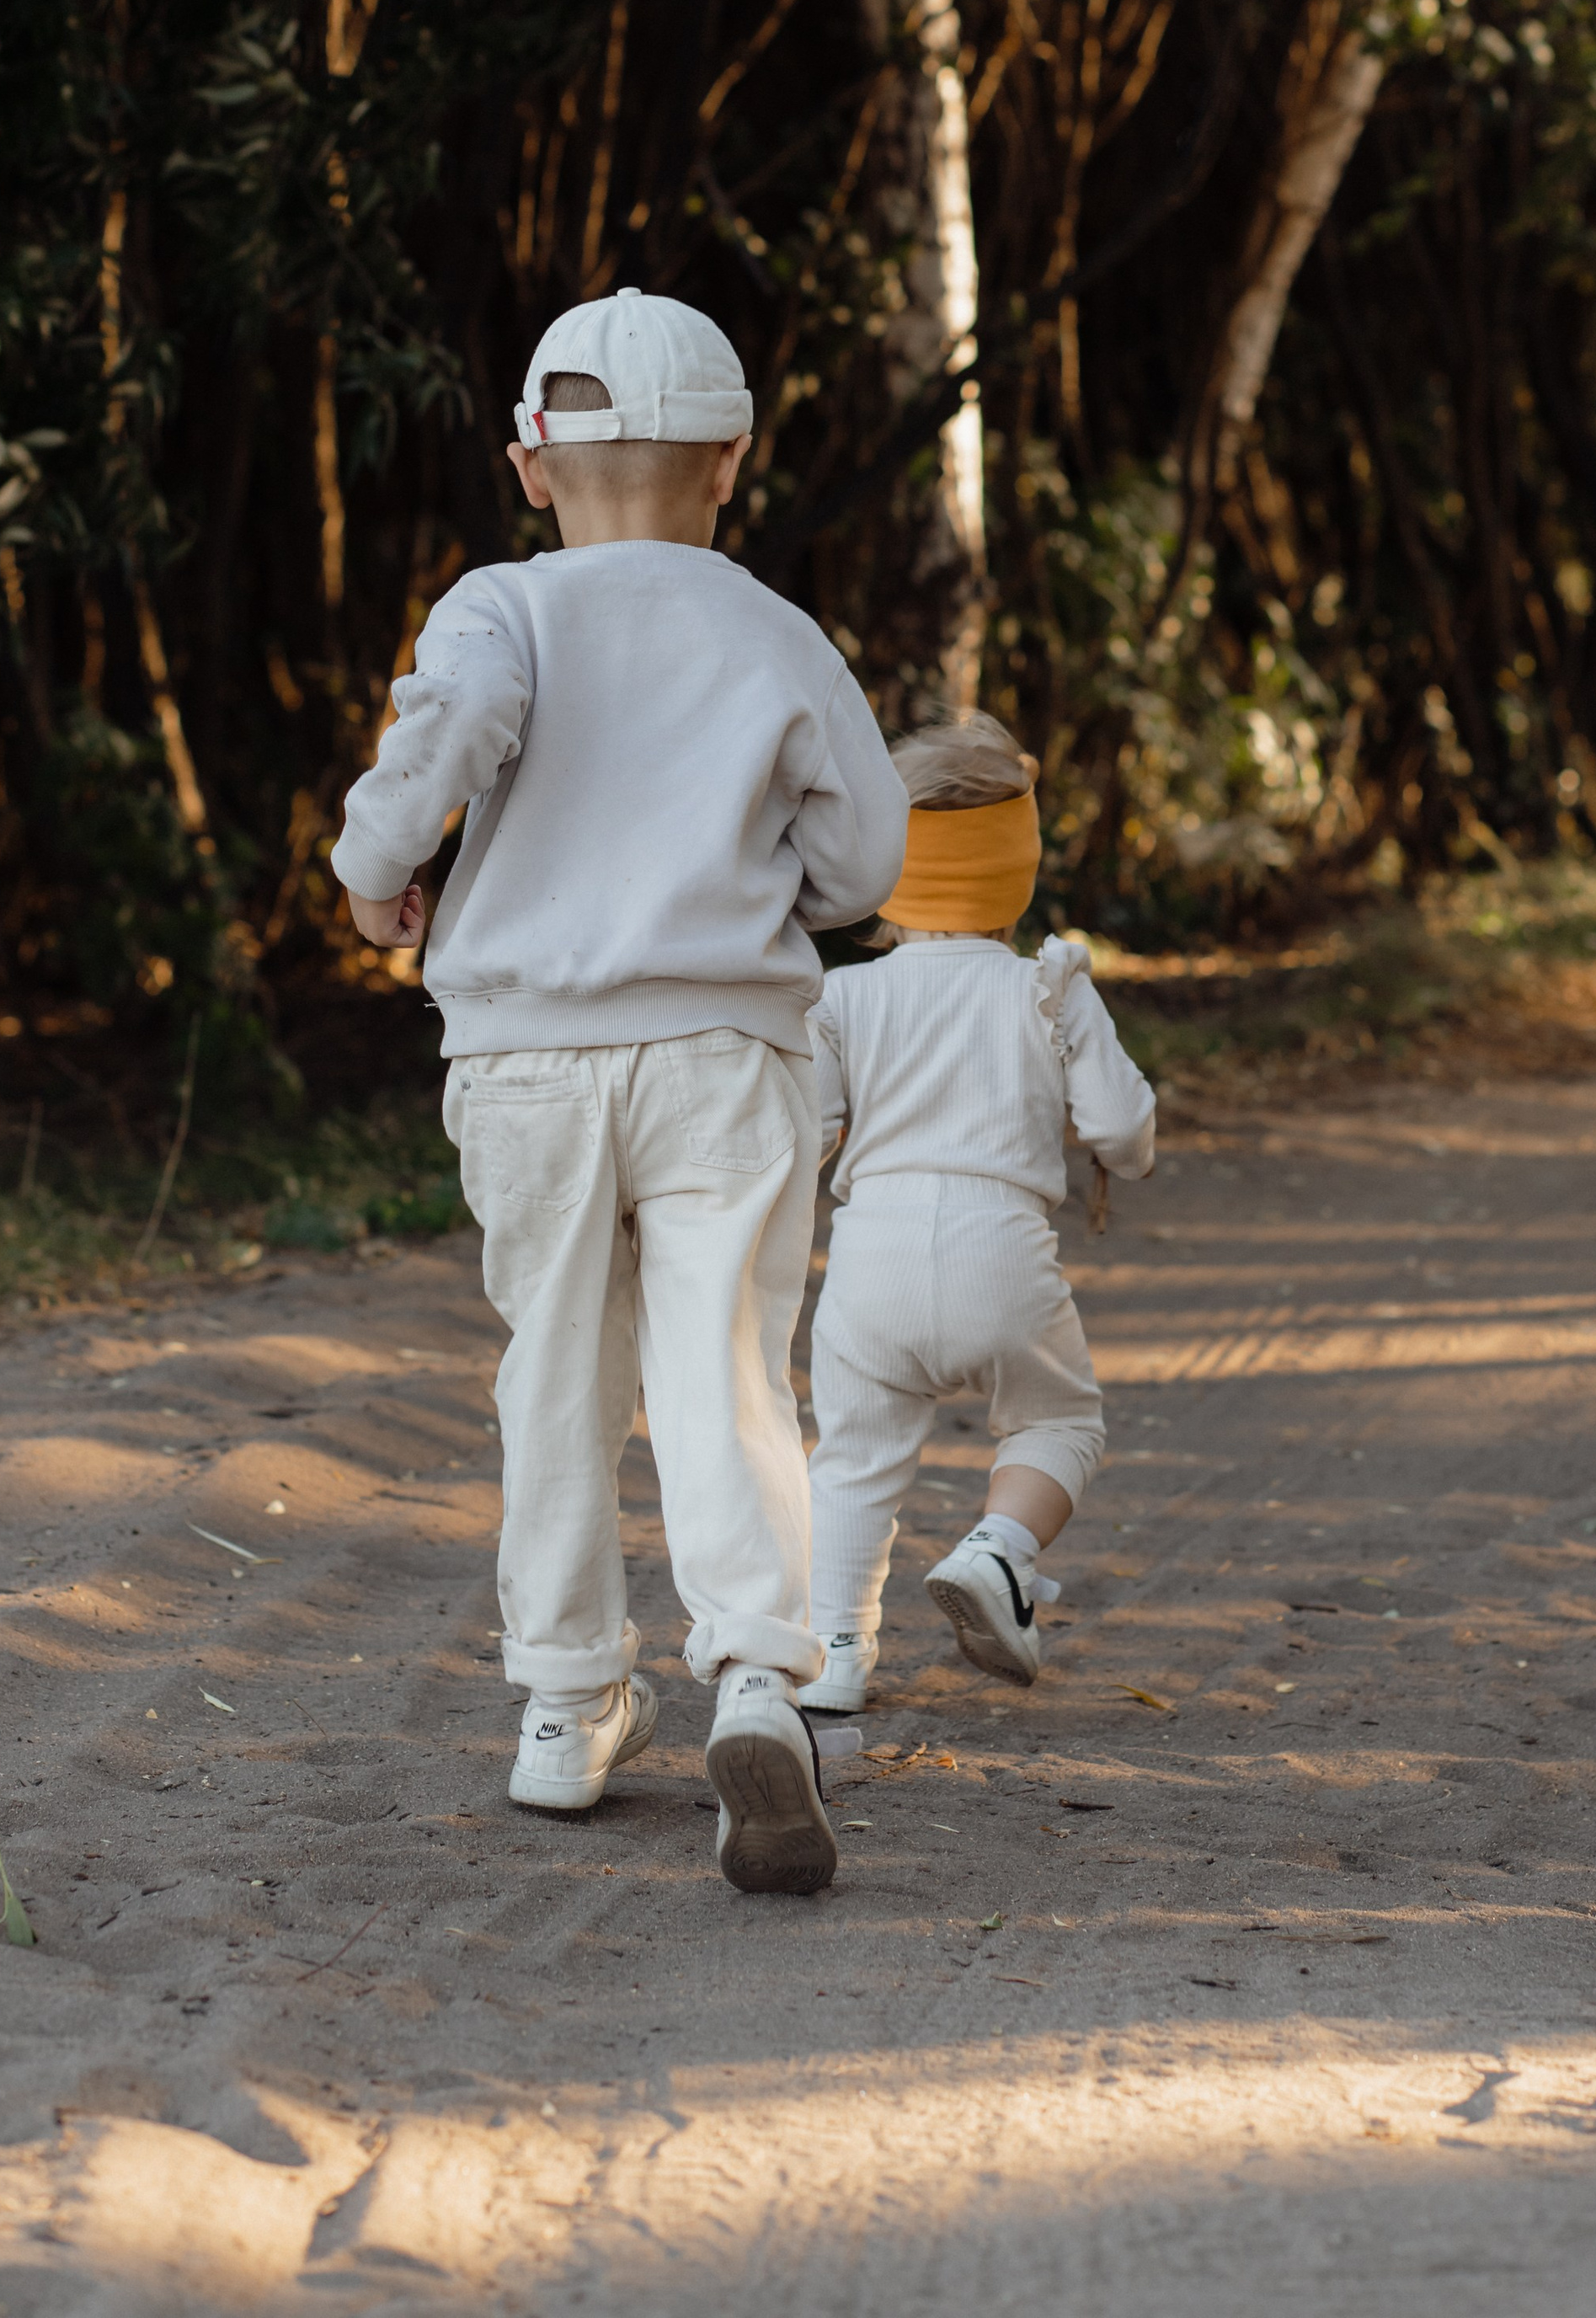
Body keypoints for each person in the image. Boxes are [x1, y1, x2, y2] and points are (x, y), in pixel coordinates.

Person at [330, 291, 907, 1893]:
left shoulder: (500, 609)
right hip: (725, 1054)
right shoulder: (776, 631)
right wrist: (763, 885)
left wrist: (377, 873)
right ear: (731, 461)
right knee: (727, 1369)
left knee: (556, 1376)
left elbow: (447, 737)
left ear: (530, 465)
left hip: (526, 1062)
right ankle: (756, 1683)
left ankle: (568, 1705)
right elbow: (866, 857)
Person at [800, 711, 1156, 1713]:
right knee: (1059, 1420)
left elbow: (803, 1135)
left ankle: (834, 1656)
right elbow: (1122, 1135)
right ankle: (998, 1552)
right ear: (1015, 870)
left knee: (852, 1463)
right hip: (1003, 1253)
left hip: (871, 1259)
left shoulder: (841, 998)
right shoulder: (1050, 988)